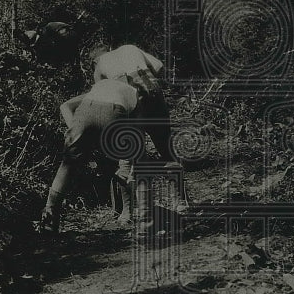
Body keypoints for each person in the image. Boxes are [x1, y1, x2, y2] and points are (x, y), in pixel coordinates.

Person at [89, 42, 189, 221]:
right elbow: (158, 66)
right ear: (109, 50)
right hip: (151, 89)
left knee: (127, 155)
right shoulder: (129, 48)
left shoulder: (99, 66)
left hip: (128, 96)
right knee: (165, 148)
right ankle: (181, 202)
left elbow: (104, 93)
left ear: (94, 61)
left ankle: (128, 212)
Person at [40, 77, 139, 233]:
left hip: (85, 112)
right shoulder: (133, 92)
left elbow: (65, 106)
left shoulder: (98, 88)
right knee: (125, 160)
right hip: (114, 112)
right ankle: (126, 214)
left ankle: (49, 220)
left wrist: (76, 130)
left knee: (67, 165)